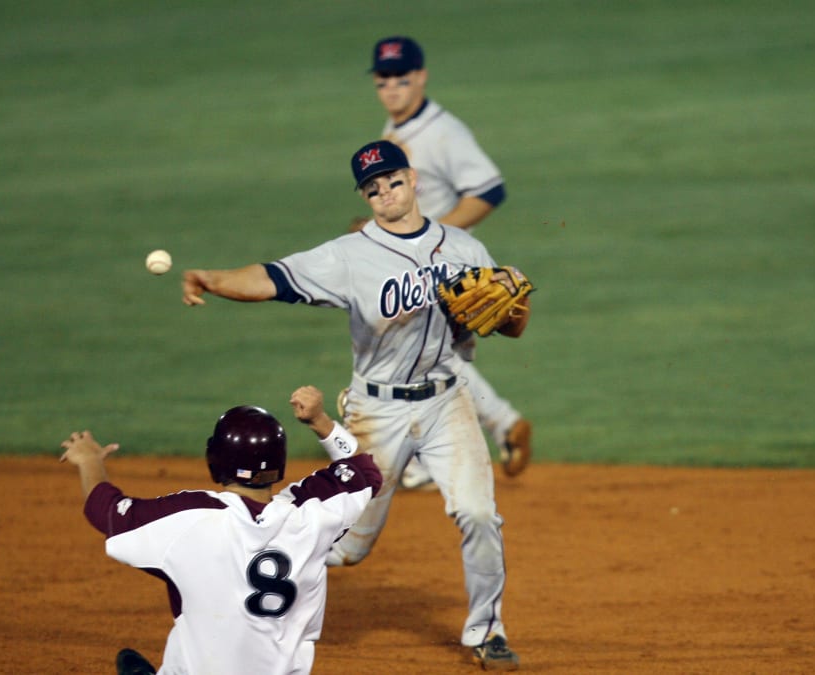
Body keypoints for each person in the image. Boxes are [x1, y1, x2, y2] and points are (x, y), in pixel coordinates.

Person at [181, 139, 528, 670]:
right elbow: (273, 278)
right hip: (377, 411)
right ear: (366, 197)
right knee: (345, 546)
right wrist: (214, 279)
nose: (385, 193)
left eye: (392, 181)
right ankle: (239, 579)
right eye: (373, 188)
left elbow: (513, 327)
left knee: (480, 513)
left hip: (446, 402)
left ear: (413, 180)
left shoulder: (463, 247)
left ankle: (488, 632)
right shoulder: (348, 256)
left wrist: (514, 307)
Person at [60, 387, 381, 675]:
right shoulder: (312, 517)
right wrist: (319, 421)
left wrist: (90, 461)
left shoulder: (192, 517)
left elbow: (106, 511)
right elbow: (365, 473)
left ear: (216, 461)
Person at [351, 35, 532, 492]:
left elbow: (489, 190)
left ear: (421, 77)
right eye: (384, 79)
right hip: (417, 265)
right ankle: (502, 424)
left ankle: (424, 457)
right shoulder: (395, 131)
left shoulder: (443, 131)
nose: (392, 88)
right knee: (432, 358)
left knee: (410, 354)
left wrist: (436, 237)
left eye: (401, 78)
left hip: (444, 270)